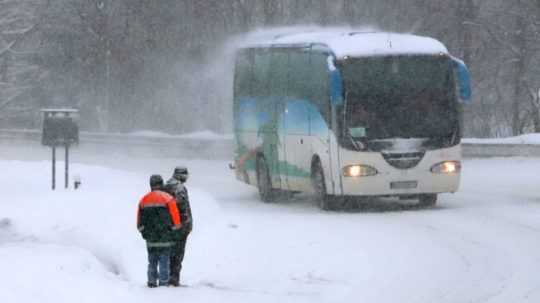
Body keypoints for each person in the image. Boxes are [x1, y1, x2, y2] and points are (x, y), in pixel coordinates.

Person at [137, 174, 182, 288]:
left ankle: (151, 282)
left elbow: (139, 223)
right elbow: (176, 221)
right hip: (165, 238)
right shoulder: (168, 198)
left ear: (151, 185)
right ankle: (163, 283)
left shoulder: (144, 199)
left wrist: (145, 234)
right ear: (161, 184)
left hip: (151, 239)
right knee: (164, 261)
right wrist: (173, 232)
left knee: (152, 261)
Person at [164, 166, 193, 287]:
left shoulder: (166, 186)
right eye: (185, 175)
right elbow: (181, 206)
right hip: (180, 227)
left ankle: (167, 278)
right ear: (181, 175)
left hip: (169, 226)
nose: (186, 178)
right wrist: (185, 224)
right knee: (178, 254)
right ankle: (174, 280)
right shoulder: (179, 188)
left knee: (170, 253)